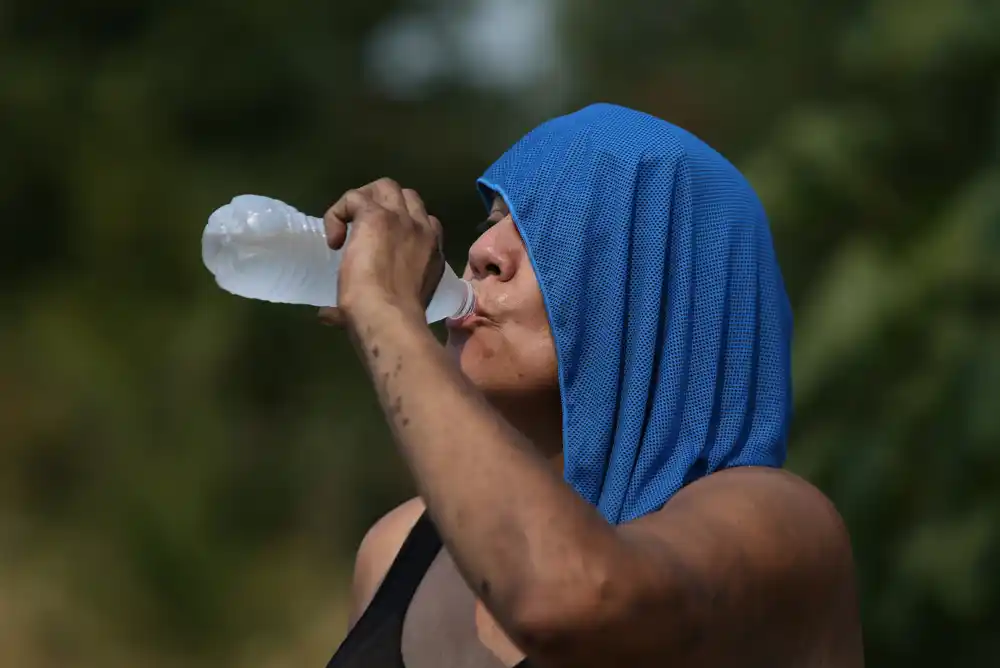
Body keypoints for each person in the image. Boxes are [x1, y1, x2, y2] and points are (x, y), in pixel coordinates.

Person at [320, 103, 864, 668]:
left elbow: (570, 598)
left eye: (552, 231)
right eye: (492, 223)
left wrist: (387, 313)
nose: (483, 253)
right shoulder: (395, 549)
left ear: (671, 297)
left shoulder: (783, 528)